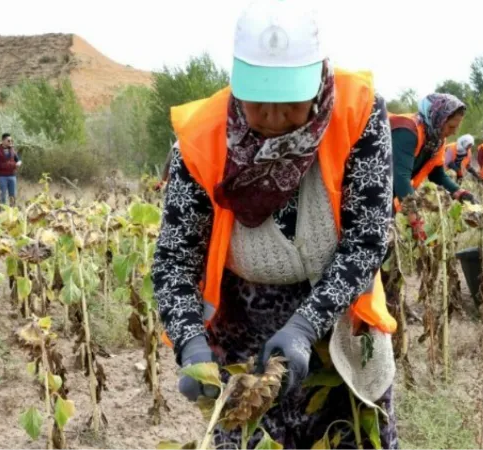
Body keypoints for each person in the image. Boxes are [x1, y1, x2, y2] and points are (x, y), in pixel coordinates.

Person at [152, 1, 399, 448]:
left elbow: (368, 237)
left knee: (351, 435)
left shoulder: (357, 112)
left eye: (288, 101)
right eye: (258, 99)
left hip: (337, 316)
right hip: (243, 330)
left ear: (317, 79)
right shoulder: (204, 138)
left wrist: (306, 325)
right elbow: (174, 260)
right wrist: (190, 343)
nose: (271, 116)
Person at [391, 94, 477, 213]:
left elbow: (437, 174)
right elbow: (401, 177)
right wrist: (415, 220)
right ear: (437, 119)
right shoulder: (407, 131)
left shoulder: (437, 140)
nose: (454, 132)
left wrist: (460, 193)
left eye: (457, 127)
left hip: (389, 194)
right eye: (451, 127)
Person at [0, 133, 21, 206]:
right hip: (2, 177)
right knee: (2, 196)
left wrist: (19, 163)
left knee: (12, 196)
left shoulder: (13, 150)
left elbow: (18, 160)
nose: (10, 142)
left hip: (12, 176)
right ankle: (2, 214)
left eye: (11, 141)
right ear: (3, 141)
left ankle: (12, 214)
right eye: (8, 141)